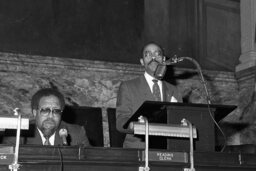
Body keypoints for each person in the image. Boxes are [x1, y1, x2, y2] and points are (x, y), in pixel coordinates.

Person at [116, 42, 183, 148]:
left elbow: (180, 121)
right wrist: (135, 126)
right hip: (138, 149)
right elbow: (120, 122)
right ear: (142, 62)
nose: (153, 57)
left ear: (164, 59)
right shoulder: (128, 87)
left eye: (157, 54)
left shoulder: (174, 90)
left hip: (168, 150)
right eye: (148, 54)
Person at [1, 88, 90, 146]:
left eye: (56, 111)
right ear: (35, 112)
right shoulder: (18, 134)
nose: (51, 116)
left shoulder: (77, 134)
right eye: (45, 110)